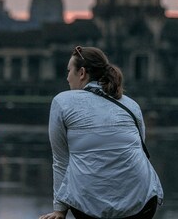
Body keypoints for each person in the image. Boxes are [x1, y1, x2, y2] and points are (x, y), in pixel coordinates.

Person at [39, 46, 163, 219]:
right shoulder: (131, 104)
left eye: (69, 71)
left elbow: (61, 161)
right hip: (143, 200)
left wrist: (60, 210)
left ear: (81, 73)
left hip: (90, 206)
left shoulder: (63, 101)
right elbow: (139, 149)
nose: (67, 78)